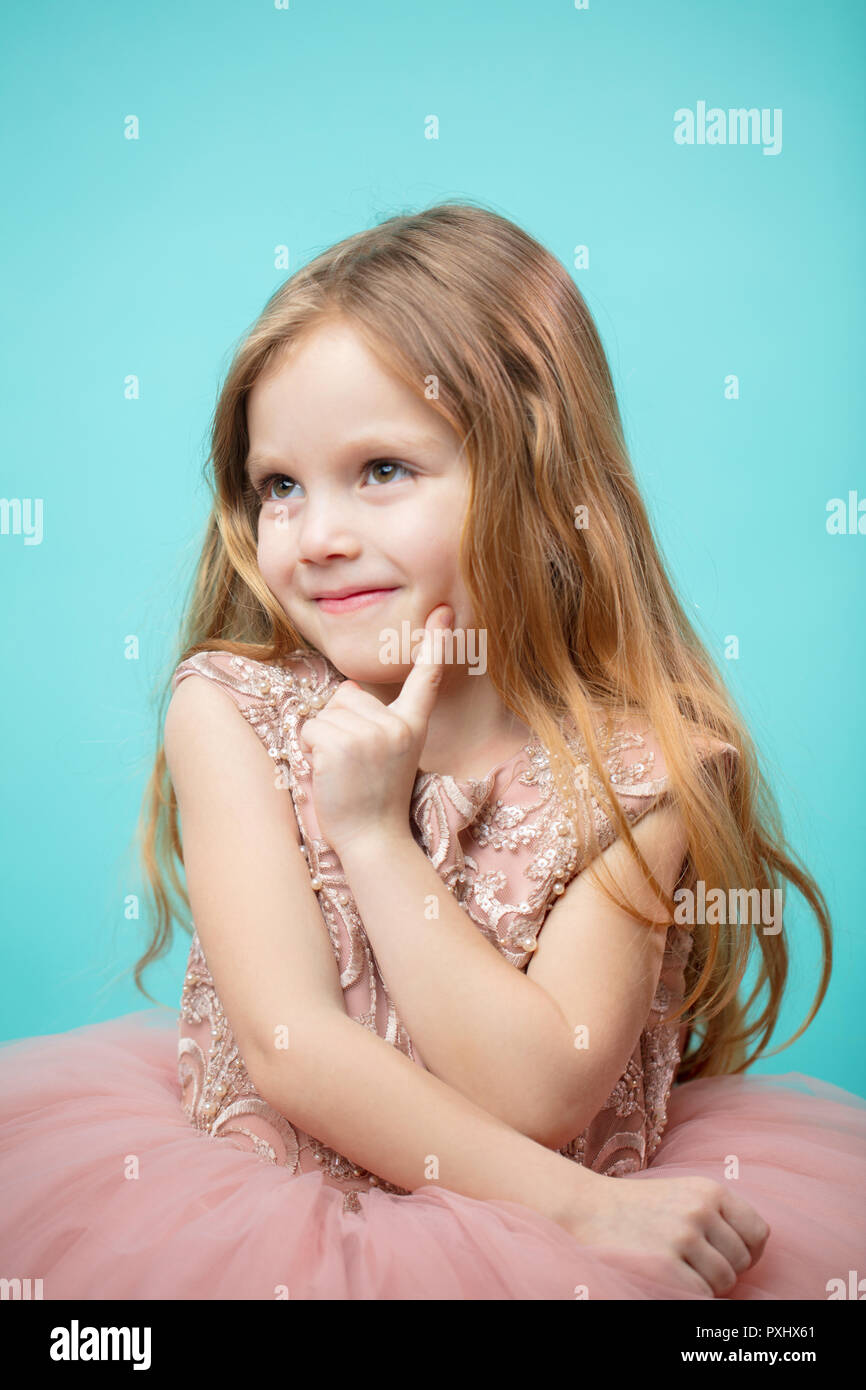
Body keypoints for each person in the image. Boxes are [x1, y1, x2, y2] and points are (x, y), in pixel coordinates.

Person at [1, 202, 864, 1301]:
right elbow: (290, 1044)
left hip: (547, 1264)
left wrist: (371, 834)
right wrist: (586, 1208)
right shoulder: (232, 710)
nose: (316, 535)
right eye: (281, 486)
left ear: (536, 478)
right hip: (273, 1251)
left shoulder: (638, 775)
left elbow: (532, 1090)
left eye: (381, 470)